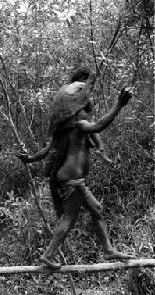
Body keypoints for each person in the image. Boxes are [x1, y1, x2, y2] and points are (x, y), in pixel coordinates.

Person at [18, 67, 135, 269]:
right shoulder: (79, 124)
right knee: (69, 218)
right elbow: (98, 125)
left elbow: (45, 151)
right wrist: (118, 105)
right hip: (72, 180)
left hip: (73, 180)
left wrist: (29, 159)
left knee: (97, 209)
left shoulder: (63, 129)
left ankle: (107, 249)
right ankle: (48, 254)